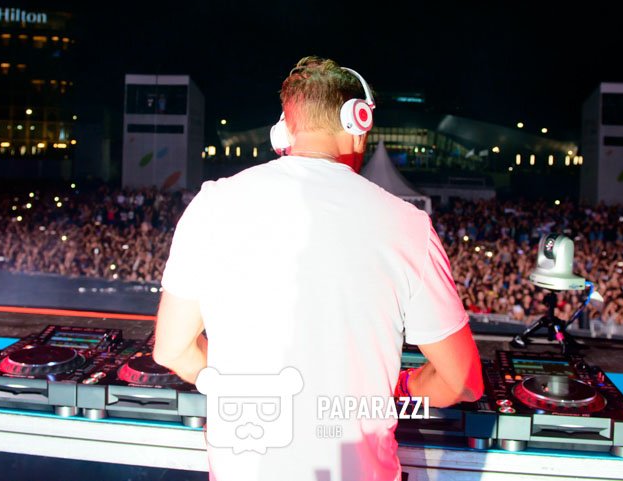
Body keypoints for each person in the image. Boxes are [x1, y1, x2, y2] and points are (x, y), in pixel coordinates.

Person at [153, 56, 483, 481]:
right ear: (360, 123)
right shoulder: (407, 225)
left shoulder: (211, 205)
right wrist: (404, 388)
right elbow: (463, 382)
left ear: (283, 131)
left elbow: (171, 350)